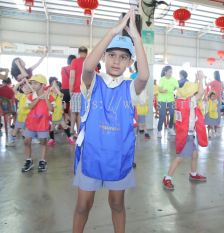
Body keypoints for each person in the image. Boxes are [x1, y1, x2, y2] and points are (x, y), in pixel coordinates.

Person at [72, 9, 149, 233]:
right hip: (91, 154)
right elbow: (87, 66)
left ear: (129, 61)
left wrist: (136, 36)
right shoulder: (93, 82)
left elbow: (143, 76)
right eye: (112, 55)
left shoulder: (130, 87)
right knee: (83, 205)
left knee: (117, 204)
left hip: (119, 155)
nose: (116, 61)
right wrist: (113, 31)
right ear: (104, 57)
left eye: (123, 57)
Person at [162, 72, 207, 190]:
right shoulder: (189, 101)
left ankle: (193, 174)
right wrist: (201, 79)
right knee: (179, 158)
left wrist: (196, 79)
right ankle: (167, 178)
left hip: (186, 134)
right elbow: (200, 92)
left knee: (194, 154)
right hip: (187, 135)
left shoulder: (181, 100)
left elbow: (191, 90)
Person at [22, 74, 54, 173]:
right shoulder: (31, 96)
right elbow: (30, 107)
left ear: (43, 84)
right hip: (31, 123)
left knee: (43, 142)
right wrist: (39, 98)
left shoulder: (50, 96)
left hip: (43, 124)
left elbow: (51, 109)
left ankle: (42, 161)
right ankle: (28, 160)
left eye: (36, 83)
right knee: (27, 142)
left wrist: (46, 98)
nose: (33, 85)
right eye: (32, 83)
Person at [47, 77, 75, 146]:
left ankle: (70, 137)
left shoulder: (60, 95)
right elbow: (48, 92)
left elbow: (59, 93)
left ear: (60, 88)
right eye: (54, 87)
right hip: (52, 116)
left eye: (57, 87)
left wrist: (55, 86)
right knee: (51, 128)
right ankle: (52, 139)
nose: (55, 88)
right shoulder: (50, 95)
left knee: (65, 126)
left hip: (59, 116)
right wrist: (53, 86)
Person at [6, 79, 31, 147]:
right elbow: (13, 90)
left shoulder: (32, 96)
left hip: (29, 117)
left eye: (28, 87)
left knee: (29, 129)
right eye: (25, 87)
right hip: (21, 117)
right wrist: (20, 82)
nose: (26, 89)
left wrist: (28, 83)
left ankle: (30, 139)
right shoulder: (21, 96)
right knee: (16, 128)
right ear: (22, 89)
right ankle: (12, 141)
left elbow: (33, 90)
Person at [69, 46, 88, 137]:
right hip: (86, 91)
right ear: (86, 53)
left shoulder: (74, 61)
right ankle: (80, 131)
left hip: (76, 90)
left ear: (79, 52)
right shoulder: (89, 61)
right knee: (81, 112)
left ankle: (72, 130)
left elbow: (72, 77)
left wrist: (70, 89)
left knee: (73, 112)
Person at [157, 65, 178, 138]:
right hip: (161, 99)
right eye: (169, 72)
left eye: (171, 72)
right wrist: (163, 90)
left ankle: (170, 128)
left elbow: (176, 87)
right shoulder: (162, 79)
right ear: (165, 72)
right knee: (162, 115)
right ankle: (159, 130)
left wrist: (175, 88)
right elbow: (159, 89)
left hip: (170, 99)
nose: (171, 73)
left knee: (172, 114)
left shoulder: (174, 79)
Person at [61, 54, 76, 123]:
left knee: (64, 107)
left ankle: (66, 120)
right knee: (71, 106)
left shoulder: (63, 68)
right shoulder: (76, 69)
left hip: (64, 90)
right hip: (73, 90)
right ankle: (70, 121)